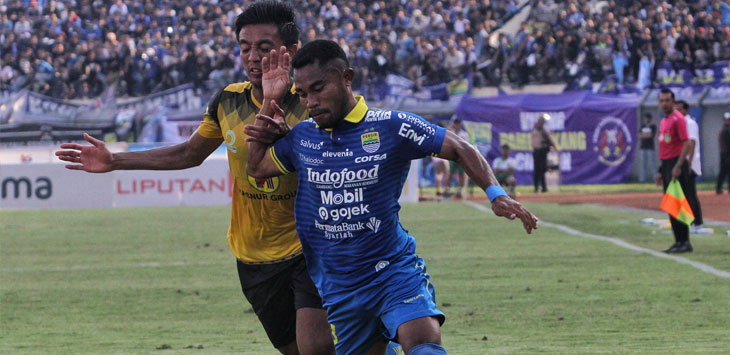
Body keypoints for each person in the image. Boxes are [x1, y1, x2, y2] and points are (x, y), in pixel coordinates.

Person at [54, 2, 334, 354]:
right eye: (245, 47)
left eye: (264, 48)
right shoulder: (228, 101)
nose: (252, 57)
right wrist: (115, 161)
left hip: (311, 246)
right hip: (253, 255)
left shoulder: (313, 104)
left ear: (291, 52)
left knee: (317, 347)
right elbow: (189, 153)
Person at [245, 39, 538, 355]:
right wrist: (269, 101)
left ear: (346, 78)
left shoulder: (392, 126)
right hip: (339, 286)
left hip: (391, 270)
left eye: (318, 88)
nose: (311, 101)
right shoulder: (302, 137)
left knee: (423, 339)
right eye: (302, 94)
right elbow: (257, 167)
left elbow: (459, 147)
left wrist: (496, 194)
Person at [655, 89, 693, 253]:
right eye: (662, 100)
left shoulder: (678, 119)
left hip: (676, 164)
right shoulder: (664, 121)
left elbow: (687, 143)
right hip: (667, 164)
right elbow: (665, 147)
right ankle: (678, 241)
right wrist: (660, 170)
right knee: (672, 205)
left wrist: (679, 165)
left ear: (673, 101)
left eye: (667, 100)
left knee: (678, 204)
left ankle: (684, 241)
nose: (664, 104)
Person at [674, 100, 704, 230]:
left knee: (690, 194)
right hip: (683, 162)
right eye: (676, 109)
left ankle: (696, 222)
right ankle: (693, 222)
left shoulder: (689, 123)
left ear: (686, 111)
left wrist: (689, 163)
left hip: (689, 163)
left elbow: (691, 143)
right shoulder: (680, 123)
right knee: (686, 193)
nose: (677, 112)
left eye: (680, 109)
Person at [531, 113, 560, 193]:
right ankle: (536, 188)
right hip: (537, 151)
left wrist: (554, 147)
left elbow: (549, 140)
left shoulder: (543, 130)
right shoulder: (536, 129)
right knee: (537, 170)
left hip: (542, 151)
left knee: (542, 170)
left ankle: (543, 187)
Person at [443, 118, 471, 199]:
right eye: (456, 124)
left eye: (458, 124)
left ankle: (459, 190)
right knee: (449, 173)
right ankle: (447, 189)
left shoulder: (464, 134)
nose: (457, 126)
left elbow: (466, 145)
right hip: (452, 156)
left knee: (461, 173)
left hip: (461, 156)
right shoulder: (451, 133)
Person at [638, 113, 657, 183]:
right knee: (643, 164)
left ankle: (655, 178)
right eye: (646, 118)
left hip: (650, 147)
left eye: (648, 118)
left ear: (650, 119)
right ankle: (642, 179)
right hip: (642, 147)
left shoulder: (653, 126)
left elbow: (651, 135)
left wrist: (644, 135)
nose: (647, 119)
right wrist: (646, 135)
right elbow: (639, 136)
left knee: (652, 163)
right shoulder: (642, 126)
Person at [717, 112, 730, 195]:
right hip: (726, 153)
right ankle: (719, 188)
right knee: (724, 171)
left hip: (725, 153)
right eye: (727, 120)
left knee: (726, 171)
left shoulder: (725, 129)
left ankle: (719, 188)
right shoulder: (726, 130)